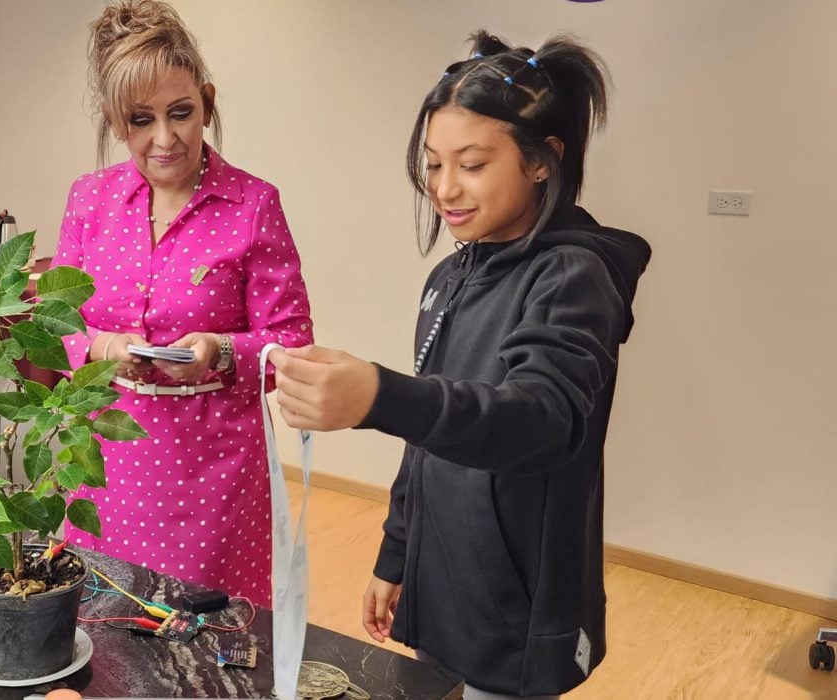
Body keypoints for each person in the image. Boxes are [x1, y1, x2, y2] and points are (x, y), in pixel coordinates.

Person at [271, 32, 650, 699]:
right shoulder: (450, 277)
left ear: (543, 161)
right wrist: (396, 555)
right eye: (433, 164)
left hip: (516, 608)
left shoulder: (574, 277)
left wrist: (379, 397)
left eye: (472, 164)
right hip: (441, 584)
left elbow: (542, 420)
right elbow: (428, 440)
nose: (445, 188)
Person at [50, 0, 312, 606]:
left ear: (207, 103)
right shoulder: (89, 200)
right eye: (141, 119)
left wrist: (221, 350)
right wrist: (101, 347)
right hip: (106, 457)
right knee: (104, 619)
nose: (165, 139)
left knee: (204, 630)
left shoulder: (253, 204)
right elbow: (54, 324)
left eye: (181, 113)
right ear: (116, 122)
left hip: (213, 468)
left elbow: (293, 341)